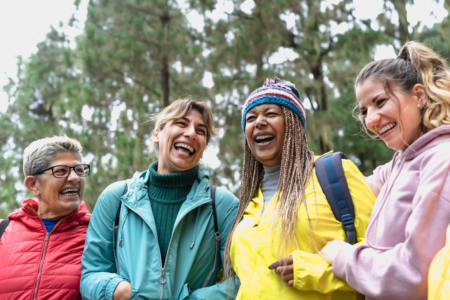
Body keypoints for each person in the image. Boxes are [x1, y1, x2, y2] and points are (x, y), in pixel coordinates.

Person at [223, 77, 376, 300]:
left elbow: (381, 253)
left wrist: (313, 271)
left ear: (293, 124)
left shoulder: (334, 174)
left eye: (271, 114)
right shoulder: (248, 205)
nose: (259, 122)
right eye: (251, 118)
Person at [320, 41, 450, 300]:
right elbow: (351, 188)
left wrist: (343, 257)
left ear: (419, 96)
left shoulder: (441, 160)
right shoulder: (401, 162)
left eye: (380, 102)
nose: (370, 120)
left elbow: (415, 274)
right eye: (365, 110)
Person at [81, 98, 239, 300]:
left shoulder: (222, 205)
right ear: (157, 134)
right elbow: (90, 274)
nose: (191, 133)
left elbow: (242, 277)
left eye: (201, 131)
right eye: (181, 123)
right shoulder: (116, 198)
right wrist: (115, 289)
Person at [0, 136, 91, 300]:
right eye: (61, 171)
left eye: (79, 170)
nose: (75, 178)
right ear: (33, 185)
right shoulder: (2, 231)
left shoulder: (99, 235)